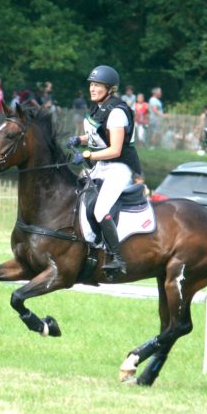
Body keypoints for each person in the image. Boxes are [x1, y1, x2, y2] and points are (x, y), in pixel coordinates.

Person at [65, 65, 142, 279]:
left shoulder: (117, 112)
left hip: (120, 167)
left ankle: (116, 257)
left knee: (100, 209)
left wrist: (87, 155)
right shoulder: (98, 108)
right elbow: (98, 137)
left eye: (97, 85)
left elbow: (115, 149)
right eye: (91, 84)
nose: (92, 88)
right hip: (104, 165)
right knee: (78, 198)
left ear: (109, 89)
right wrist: (79, 140)